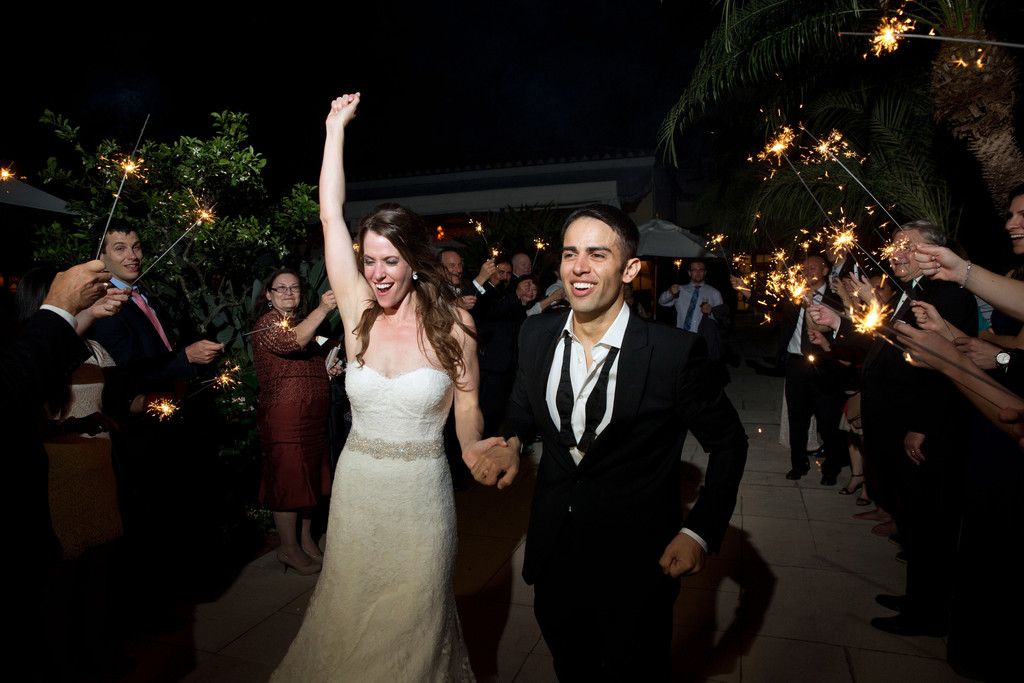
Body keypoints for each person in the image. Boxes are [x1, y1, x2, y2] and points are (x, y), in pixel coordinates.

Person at [272, 94, 498, 682]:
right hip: (358, 493)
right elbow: (330, 213)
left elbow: (468, 403)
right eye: (369, 260)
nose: (377, 273)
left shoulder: (457, 323)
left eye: (390, 260)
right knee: (350, 616)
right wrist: (333, 131)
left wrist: (473, 447)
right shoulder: (354, 312)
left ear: (415, 261)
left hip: (422, 496)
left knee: (414, 622)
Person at [471, 204, 748, 681]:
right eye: (570, 254)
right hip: (554, 549)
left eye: (597, 254)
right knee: (570, 664)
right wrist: (512, 441)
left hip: (637, 559)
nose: (579, 268)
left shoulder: (672, 353)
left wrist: (699, 530)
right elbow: (522, 408)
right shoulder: (534, 334)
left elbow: (730, 444)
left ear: (630, 268)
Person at [252, 269, 338, 575]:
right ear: (269, 294)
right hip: (285, 418)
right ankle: (288, 550)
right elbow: (291, 343)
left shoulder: (304, 324)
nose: (289, 292)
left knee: (308, 481)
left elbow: (319, 348)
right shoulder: (266, 323)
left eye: (295, 288)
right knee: (289, 484)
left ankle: (305, 540)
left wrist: (330, 364)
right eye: (281, 288)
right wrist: (324, 308)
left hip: (312, 417)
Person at [658, 260, 724, 333]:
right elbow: (662, 301)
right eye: (694, 270)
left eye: (701, 270)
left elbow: (722, 316)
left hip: (704, 336)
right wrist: (670, 292)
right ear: (689, 273)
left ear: (705, 273)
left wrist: (711, 312)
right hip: (682, 334)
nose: (698, 273)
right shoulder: (680, 290)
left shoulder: (714, 293)